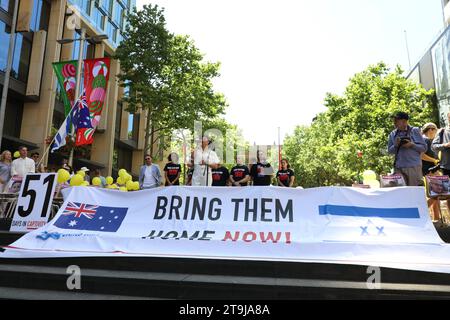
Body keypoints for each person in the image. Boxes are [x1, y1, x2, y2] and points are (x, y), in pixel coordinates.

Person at [387, 112, 427, 186]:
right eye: (394, 120)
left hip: (413, 167)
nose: (394, 123)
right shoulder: (392, 134)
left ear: (405, 121)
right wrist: (396, 145)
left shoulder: (414, 130)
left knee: (414, 191)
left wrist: (412, 145)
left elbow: (424, 148)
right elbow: (389, 151)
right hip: (399, 167)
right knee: (400, 192)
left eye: (396, 120)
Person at [421, 123, 441, 222]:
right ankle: (421, 212)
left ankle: (436, 218)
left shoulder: (429, 140)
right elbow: (421, 155)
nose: (436, 131)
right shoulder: (425, 140)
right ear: (430, 130)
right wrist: (434, 160)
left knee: (435, 195)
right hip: (430, 171)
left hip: (432, 170)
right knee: (437, 194)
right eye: (435, 129)